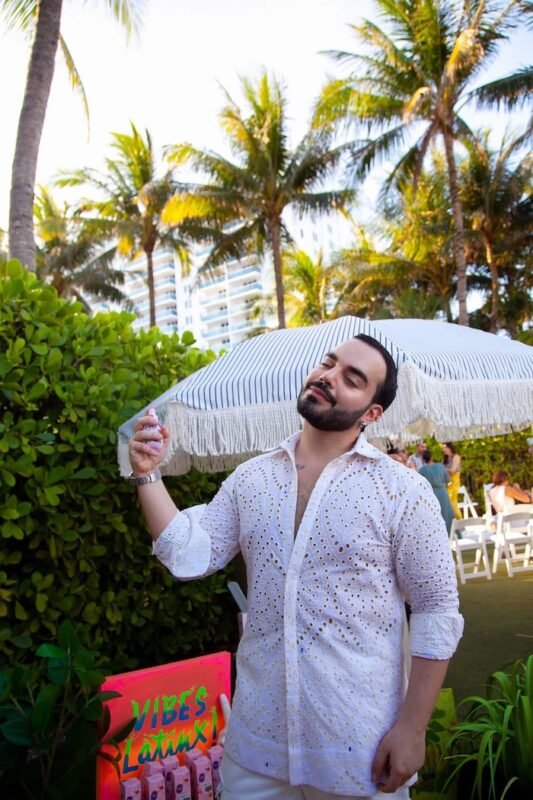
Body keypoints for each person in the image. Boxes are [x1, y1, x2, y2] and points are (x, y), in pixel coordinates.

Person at [128, 334, 464, 800]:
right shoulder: (251, 478)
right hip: (256, 747)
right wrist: (147, 473)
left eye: (352, 379)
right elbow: (189, 552)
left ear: (372, 414)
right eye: (329, 363)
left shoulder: (401, 491)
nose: (329, 376)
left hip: (359, 748)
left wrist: (413, 728)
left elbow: (436, 610)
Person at [418, 451, 456, 534]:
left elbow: (420, 485)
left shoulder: (422, 470)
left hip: (431, 494)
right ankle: (452, 533)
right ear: (431, 457)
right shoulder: (440, 466)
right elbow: (447, 480)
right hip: (443, 492)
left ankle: (441, 534)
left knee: (437, 515)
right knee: (447, 513)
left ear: (423, 459)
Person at [442, 443, 461, 519]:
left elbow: (453, 470)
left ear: (450, 448)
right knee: (447, 503)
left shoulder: (456, 457)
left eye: (445, 448)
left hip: (454, 482)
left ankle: (459, 521)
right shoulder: (444, 459)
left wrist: (444, 470)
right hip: (446, 482)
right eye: (443, 448)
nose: (444, 450)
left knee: (452, 502)